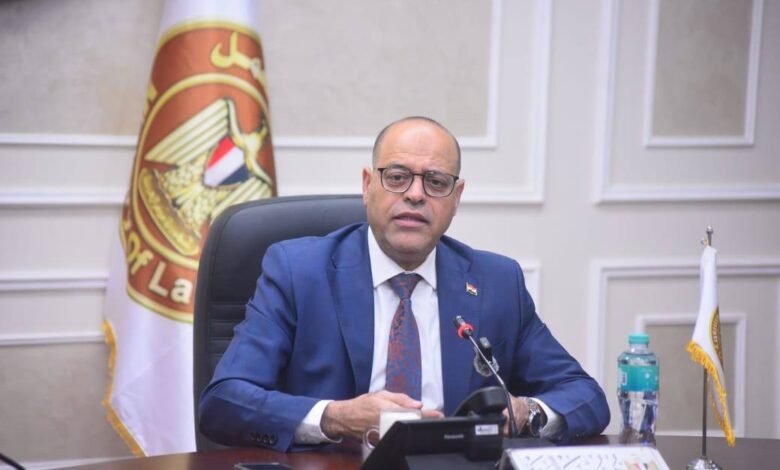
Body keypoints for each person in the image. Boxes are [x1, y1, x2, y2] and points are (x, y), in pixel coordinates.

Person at [199, 116, 610, 452]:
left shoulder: (496, 282)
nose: (415, 194)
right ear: (367, 185)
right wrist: (337, 417)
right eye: (397, 177)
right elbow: (224, 402)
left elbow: (585, 395)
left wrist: (526, 413)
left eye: (436, 182)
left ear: (456, 197)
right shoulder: (298, 271)